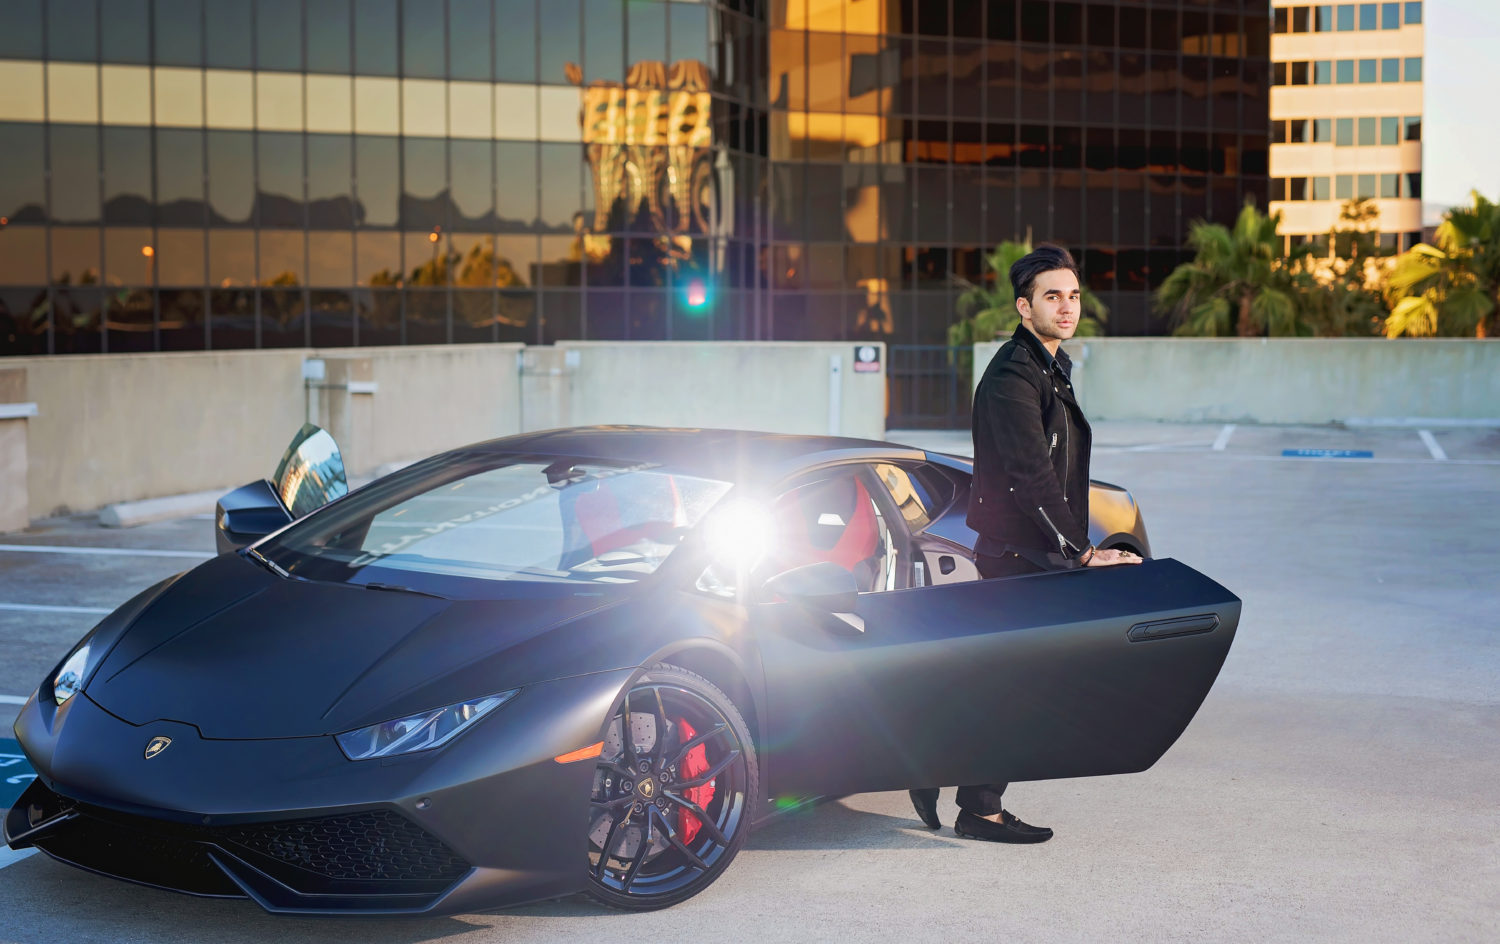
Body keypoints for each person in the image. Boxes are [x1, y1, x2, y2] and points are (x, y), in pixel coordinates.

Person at [908, 245, 1142, 844]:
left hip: (1032, 553)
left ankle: (938, 769)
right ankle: (974, 805)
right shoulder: (1015, 375)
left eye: (1073, 295)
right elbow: (1029, 475)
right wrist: (1081, 551)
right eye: (1052, 296)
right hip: (1018, 556)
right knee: (1017, 686)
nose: (1067, 307)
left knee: (1006, 681)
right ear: (1024, 306)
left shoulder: (1045, 367)